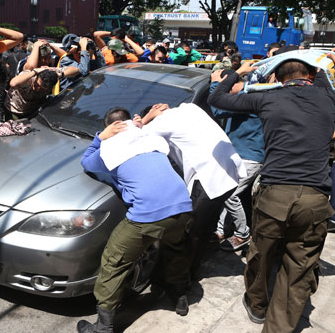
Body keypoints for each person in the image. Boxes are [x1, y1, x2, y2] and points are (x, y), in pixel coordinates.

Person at [208, 60, 335, 332]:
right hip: (315, 200)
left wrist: (238, 73)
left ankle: (257, 306)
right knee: (299, 270)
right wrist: (323, 64)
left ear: (277, 76)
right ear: (311, 75)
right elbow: (323, 76)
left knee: (261, 256)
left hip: (275, 195)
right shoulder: (327, 97)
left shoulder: (266, 98)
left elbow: (216, 97)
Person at [77, 107, 193, 332]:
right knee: (176, 248)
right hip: (183, 207)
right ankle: (179, 296)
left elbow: (86, 162)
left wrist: (101, 137)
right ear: (131, 122)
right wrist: (141, 125)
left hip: (148, 215)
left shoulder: (109, 148)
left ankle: (103, 327)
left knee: (114, 261)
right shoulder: (149, 138)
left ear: (109, 127)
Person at [139, 103, 245, 273]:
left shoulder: (161, 123)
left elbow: (133, 138)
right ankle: (194, 268)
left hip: (209, 181)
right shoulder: (190, 107)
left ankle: (182, 275)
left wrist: (146, 119)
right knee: (206, 225)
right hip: (230, 174)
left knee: (189, 230)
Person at [209, 70, 265, 251]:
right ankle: (220, 231)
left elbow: (217, 109)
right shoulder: (250, 96)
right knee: (229, 194)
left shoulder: (249, 98)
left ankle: (243, 233)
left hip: (250, 157)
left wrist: (215, 85)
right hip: (240, 154)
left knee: (229, 194)